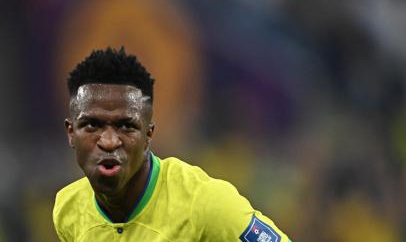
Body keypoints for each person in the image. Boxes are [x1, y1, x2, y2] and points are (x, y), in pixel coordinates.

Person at [53, 47, 291, 242]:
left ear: (148, 135)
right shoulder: (67, 209)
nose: (109, 141)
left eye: (126, 126)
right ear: (71, 133)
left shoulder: (206, 205)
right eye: (92, 125)